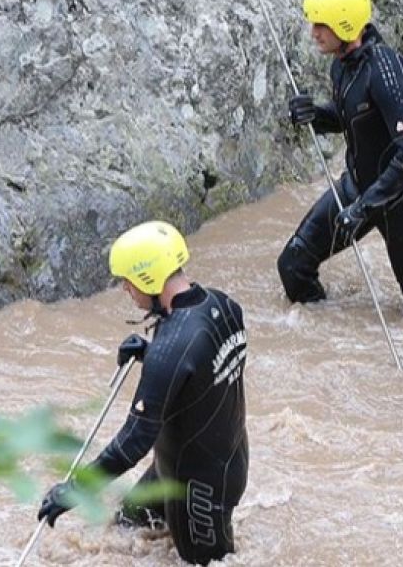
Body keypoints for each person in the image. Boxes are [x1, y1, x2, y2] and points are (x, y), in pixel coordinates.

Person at [36, 220, 248, 565]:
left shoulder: (172, 349)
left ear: (148, 278)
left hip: (196, 490)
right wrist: (150, 352)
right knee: (126, 526)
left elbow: (133, 442)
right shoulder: (225, 306)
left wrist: (75, 490)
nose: (124, 289)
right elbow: (201, 370)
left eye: (127, 280)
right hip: (211, 460)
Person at [277, 0, 403, 320]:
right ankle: (331, 335)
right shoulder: (342, 66)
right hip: (357, 187)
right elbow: (352, 118)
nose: (314, 33)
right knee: (293, 265)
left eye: (320, 25)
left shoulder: (387, 74)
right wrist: (317, 115)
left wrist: (363, 207)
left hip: (401, 201)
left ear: (344, 24)